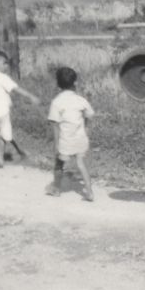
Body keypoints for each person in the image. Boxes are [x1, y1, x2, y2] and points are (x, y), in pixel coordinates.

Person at [47, 67, 95, 201]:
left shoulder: (56, 102)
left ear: (58, 84)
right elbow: (89, 115)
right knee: (81, 164)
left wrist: (56, 145)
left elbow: (55, 125)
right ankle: (90, 192)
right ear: (75, 83)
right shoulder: (81, 100)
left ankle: (56, 189)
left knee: (59, 164)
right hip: (80, 138)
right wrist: (86, 128)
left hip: (65, 141)